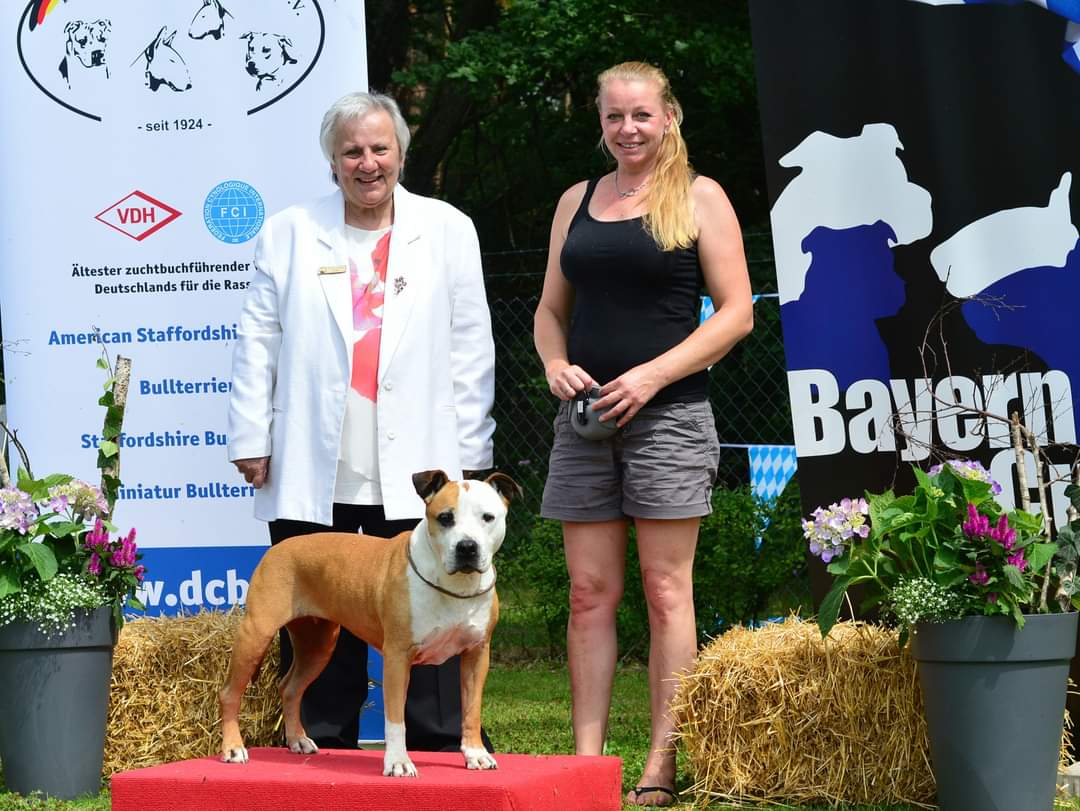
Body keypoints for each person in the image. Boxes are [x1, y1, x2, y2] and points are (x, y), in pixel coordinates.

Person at [227, 90, 496, 753]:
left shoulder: (449, 228)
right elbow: (257, 339)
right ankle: (322, 748)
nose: (367, 163)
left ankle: (437, 744)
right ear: (332, 161)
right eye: (352, 151)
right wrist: (251, 436)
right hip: (315, 456)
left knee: (436, 602)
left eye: (380, 148)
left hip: (422, 462)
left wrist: (471, 453)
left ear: (401, 153)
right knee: (324, 612)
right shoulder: (288, 231)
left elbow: (471, 345)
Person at [533, 62, 753, 807]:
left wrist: (653, 377)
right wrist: (555, 363)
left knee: (665, 591)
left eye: (641, 115)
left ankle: (661, 761)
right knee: (588, 593)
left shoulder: (699, 196)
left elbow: (737, 312)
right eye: (614, 116)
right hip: (587, 420)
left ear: (669, 117)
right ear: (600, 122)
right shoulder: (576, 200)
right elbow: (550, 310)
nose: (627, 129)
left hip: (669, 417)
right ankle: (587, 765)